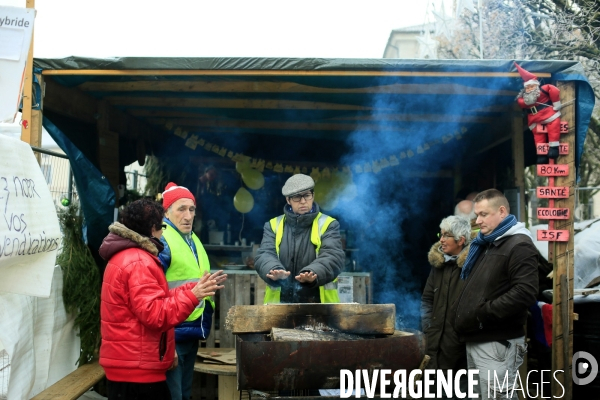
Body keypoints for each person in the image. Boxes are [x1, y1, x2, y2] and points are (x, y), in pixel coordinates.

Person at [99, 199, 225, 400]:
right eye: (162, 226)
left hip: (130, 364)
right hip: (138, 370)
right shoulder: (139, 261)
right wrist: (193, 297)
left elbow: (156, 298)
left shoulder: (127, 256)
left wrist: (194, 288)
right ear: (152, 228)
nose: (164, 232)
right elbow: (155, 314)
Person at [452, 189, 538, 400]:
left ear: (501, 211)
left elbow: (525, 292)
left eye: (483, 214)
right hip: (479, 339)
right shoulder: (487, 242)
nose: (477, 220)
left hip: (498, 343)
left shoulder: (519, 245)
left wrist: (483, 313)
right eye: (476, 214)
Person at [158, 182, 216, 400]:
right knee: (175, 395)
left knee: (184, 393)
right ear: (166, 211)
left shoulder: (192, 239)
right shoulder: (163, 240)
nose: (188, 215)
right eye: (181, 208)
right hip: (173, 332)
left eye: (191, 209)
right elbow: (154, 293)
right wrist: (166, 341)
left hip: (189, 329)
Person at [254, 174, 344, 303]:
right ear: (288, 200)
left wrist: (312, 273)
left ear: (313, 195)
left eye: (307, 195)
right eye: (297, 197)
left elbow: (333, 256)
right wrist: (273, 269)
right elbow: (265, 254)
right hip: (279, 309)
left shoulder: (329, 224)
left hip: (320, 308)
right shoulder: (273, 225)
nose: (303, 201)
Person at [422, 215, 472, 399]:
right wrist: (428, 327)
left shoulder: (473, 265)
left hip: (460, 347)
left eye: (446, 235)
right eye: (440, 234)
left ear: (461, 240)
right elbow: (427, 300)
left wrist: (461, 331)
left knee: (458, 392)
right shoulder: (438, 265)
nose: (441, 240)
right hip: (435, 341)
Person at [514, 62, 562, 165]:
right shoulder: (525, 99)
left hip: (549, 114)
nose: (529, 89)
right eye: (527, 88)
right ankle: (541, 154)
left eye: (531, 86)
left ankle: (554, 147)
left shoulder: (543, 90)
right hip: (534, 119)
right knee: (538, 136)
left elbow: (553, 90)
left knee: (554, 127)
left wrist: (556, 103)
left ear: (536, 85)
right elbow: (521, 103)